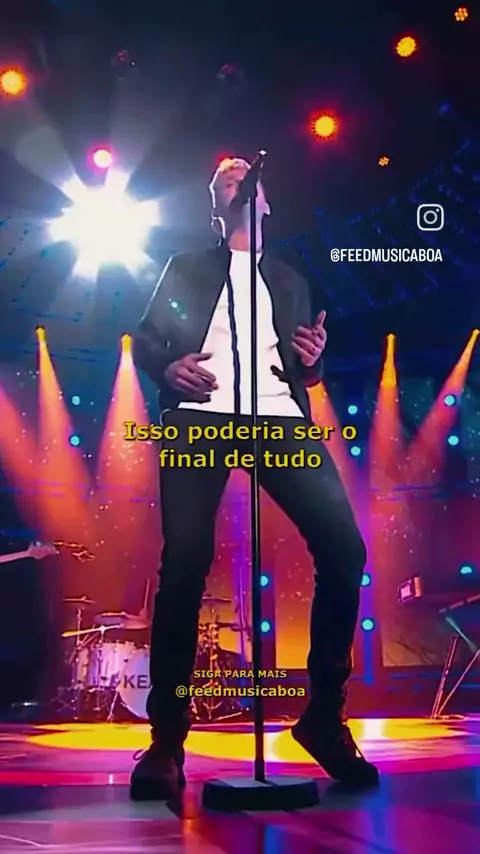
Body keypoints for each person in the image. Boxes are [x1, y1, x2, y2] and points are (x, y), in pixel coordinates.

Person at [130, 157, 379, 799]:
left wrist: (313, 365)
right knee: (185, 562)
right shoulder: (184, 267)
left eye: (248, 179)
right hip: (200, 417)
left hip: (279, 419)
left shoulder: (291, 278)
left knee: (345, 550)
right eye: (226, 179)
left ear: (266, 203)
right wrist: (166, 368)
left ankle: (323, 719)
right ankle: (166, 740)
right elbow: (147, 339)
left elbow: (306, 366)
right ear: (215, 205)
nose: (239, 181)